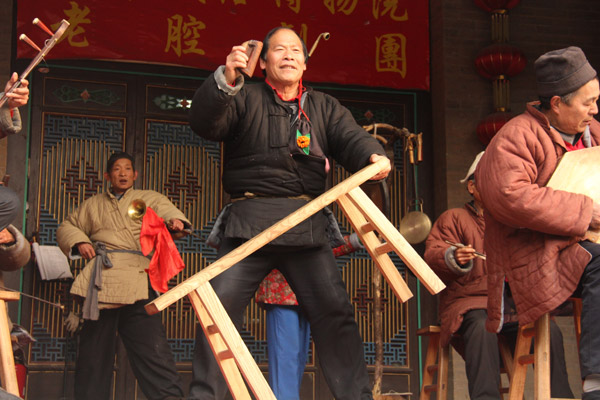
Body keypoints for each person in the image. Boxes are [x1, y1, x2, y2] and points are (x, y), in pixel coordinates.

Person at [187, 26, 390, 400]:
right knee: (216, 310)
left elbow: (350, 137)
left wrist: (372, 155)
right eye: (278, 50)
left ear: (305, 62)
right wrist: (225, 79)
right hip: (249, 220)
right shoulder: (243, 98)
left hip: (306, 224)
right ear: (262, 62)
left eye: (296, 50)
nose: (289, 55)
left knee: (335, 315)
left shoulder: (323, 106)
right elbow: (204, 122)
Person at [476, 46, 600, 399]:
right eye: (587, 103)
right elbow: (510, 195)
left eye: (596, 101)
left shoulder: (595, 131)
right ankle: (596, 383)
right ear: (557, 102)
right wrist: (584, 211)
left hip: (582, 248)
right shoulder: (517, 136)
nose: (595, 111)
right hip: (535, 254)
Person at [425, 152, 573, 399]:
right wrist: (453, 257)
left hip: (515, 304)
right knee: (482, 326)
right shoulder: (454, 218)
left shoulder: (515, 222)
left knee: (549, 331)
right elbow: (433, 254)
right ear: (472, 186)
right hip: (472, 301)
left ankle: (560, 397)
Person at [56, 151, 190, 400]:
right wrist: (80, 241)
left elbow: (167, 210)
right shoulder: (93, 204)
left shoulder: (147, 198)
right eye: (117, 169)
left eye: (127, 169)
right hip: (100, 282)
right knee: (94, 354)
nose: (123, 174)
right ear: (108, 176)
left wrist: (175, 221)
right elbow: (67, 226)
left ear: (135, 175)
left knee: (152, 351)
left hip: (137, 279)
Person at [255, 233, 365, 400]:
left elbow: (322, 247)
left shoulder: (309, 224)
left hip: (306, 296)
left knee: (298, 360)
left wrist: (356, 240)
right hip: (281, 295)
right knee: (286, 361)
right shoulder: (272, 215)